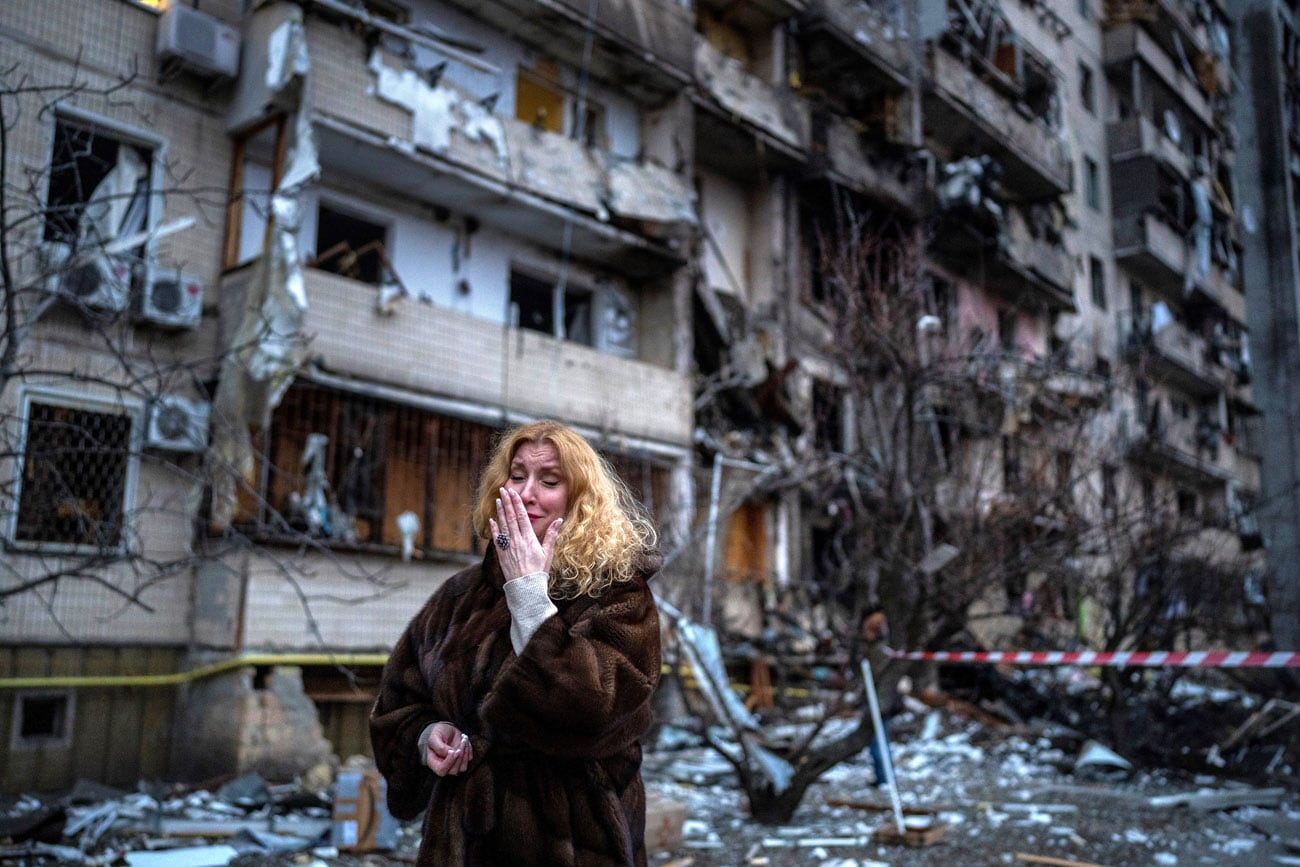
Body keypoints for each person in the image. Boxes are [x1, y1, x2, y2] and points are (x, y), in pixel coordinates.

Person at [369, 421, 663, 866]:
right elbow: (398, 702)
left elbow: (596, 706)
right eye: (517, 475)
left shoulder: (619, 593)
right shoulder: (460, 594)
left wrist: (528, 595)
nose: (526, 493)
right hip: (463, 844)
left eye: (549, 481)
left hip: (574, 841)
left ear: (580, 498)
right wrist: (427, 737)